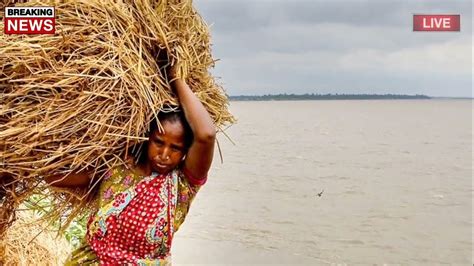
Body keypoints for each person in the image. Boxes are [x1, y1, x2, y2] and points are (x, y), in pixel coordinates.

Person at [46, 68, 216, 265]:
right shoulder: (116, 168)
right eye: (159, 142)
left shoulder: (182, 185)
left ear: (186, 151)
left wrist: (174, 76)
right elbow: (53, 177)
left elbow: (206, 135)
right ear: (146, 138)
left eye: (175, 148)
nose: (164, 154)